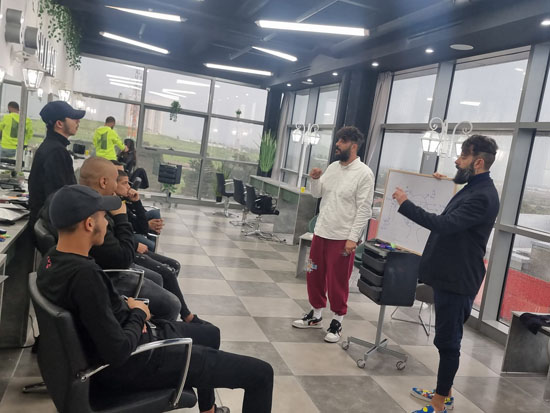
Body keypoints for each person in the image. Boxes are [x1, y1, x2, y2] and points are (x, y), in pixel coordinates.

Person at [37, 184, 274, 413]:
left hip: (139, 342)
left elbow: (96, 311)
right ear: (89, 224)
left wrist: (129, 307)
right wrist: (138, 314)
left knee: (211, 334)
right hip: (141, 361)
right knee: (261, 374)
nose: (106, 223)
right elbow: (118, 351)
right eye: (102, 217)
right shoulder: (85, 277)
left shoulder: (52, 260)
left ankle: (208, 410)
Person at [391, 135, 500, 413]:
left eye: (463, 157)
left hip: (458, 279)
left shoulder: (483, 196)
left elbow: (445, 224)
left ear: (478, 162)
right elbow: (459, 196)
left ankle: (440, 404)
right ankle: (445, 392)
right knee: (446, 339)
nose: (457, 160)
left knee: (448, 343)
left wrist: (405, 204)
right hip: (450, 275)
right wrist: (443, 182)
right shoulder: (476, 187)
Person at [292, 126, 375, 343]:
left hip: (342, 238)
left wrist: (352, 238)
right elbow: (317, 194)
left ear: (354, 146)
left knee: (337, 281)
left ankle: (337, 321)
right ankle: (316, 315)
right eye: (338, 140)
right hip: (321, 232)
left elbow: (364, 210)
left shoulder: (364, 174)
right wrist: (314, 179)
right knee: (314, 274)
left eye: (342, 141)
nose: (337, 144)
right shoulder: (332, 167)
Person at [28, 101, 85, 229]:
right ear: (59, 123)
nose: (78, 121)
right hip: (53, 225)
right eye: (73, 118)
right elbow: (60, 196)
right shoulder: (56, 152)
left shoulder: (52, 147)